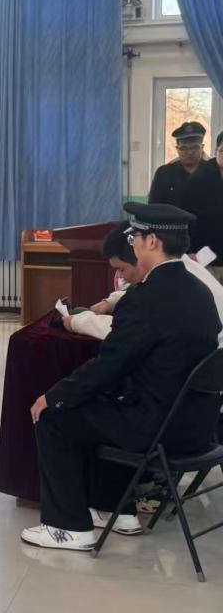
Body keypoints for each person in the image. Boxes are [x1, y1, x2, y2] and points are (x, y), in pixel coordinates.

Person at [22, 202, 222, 551]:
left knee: (54, 417)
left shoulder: (146, 298)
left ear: (152, 242)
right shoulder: (200, 292)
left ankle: (67, 526)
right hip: (198, 428)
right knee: (109, 402)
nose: (132, 244)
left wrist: (53, 396)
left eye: (135, 238)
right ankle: (112, 507)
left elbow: (108, 365)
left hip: (158, 431)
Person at [65, 221, 223, 344]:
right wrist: (111, 302)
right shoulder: (180, 268)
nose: (122, 277)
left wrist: (78, 322)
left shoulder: (166, 284)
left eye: (122, 269)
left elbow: (124, 331)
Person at [185, 130, 223, 283]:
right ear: (216, 151)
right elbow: (189, 218)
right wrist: (189, 251)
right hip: (204, 254)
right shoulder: (200, 177)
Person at [148, 121, 209, 207]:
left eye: (195, 147)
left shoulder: (213, 171)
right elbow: (154, 207)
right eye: (184, 148)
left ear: (202, 147)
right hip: (171, 216)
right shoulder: (164, 173)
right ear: (177, 149)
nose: (189, 152)